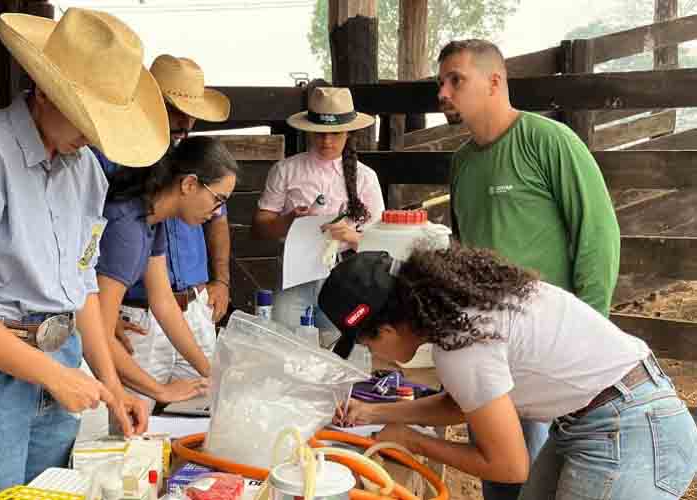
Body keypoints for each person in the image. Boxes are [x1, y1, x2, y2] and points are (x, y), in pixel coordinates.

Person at [0, 9, 166, 499]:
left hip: (61, 355)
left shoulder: (87, 172)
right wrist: (56, 376)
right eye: (86, 116)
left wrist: (111, 385)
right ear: (45, 90)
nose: (94, 134)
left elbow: (83, 287)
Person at [320, 248, 697, 500]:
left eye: (367, 345)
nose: (372, 353)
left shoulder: (460, 343)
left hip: (630, 430)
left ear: (385, 331)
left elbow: (508, 466)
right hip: (613, 414)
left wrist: (413, 441)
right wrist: (374, 413)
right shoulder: (461, 305)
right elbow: (468, 404)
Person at [439, 39, 621, 499]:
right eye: (441, 82)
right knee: (499, 474)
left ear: (495, 81)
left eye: (455, 79)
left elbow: (598, 237)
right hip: (487, 347)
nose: (443, 92)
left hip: (548, 347)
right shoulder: (461, 163)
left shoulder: (549, 140)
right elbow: (462, 251)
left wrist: (588, 332)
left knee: (538, 476)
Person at [93, 55, 232, 409]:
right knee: (132, 424)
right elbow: (95, 329)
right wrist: (157, 390)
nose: (185, 121)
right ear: (188, 185)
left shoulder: (151, 217)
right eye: (175, 109)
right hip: (127, 314)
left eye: (191, 112)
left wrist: (212, 374)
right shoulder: (127, 220)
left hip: (185, 307)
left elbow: (164, 302)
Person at [252, 86, 384, 331]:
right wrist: (289, 220)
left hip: (345, 279)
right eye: (320, 133)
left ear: (349, 132)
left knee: (341, 350)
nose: (327, 140)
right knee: (287, 350)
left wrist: (352, 237)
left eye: (335, 133)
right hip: (294, 277)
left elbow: (381, 241)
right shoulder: (285, 170)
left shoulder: (366, 178)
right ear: (309, 131)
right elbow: (260, 228)